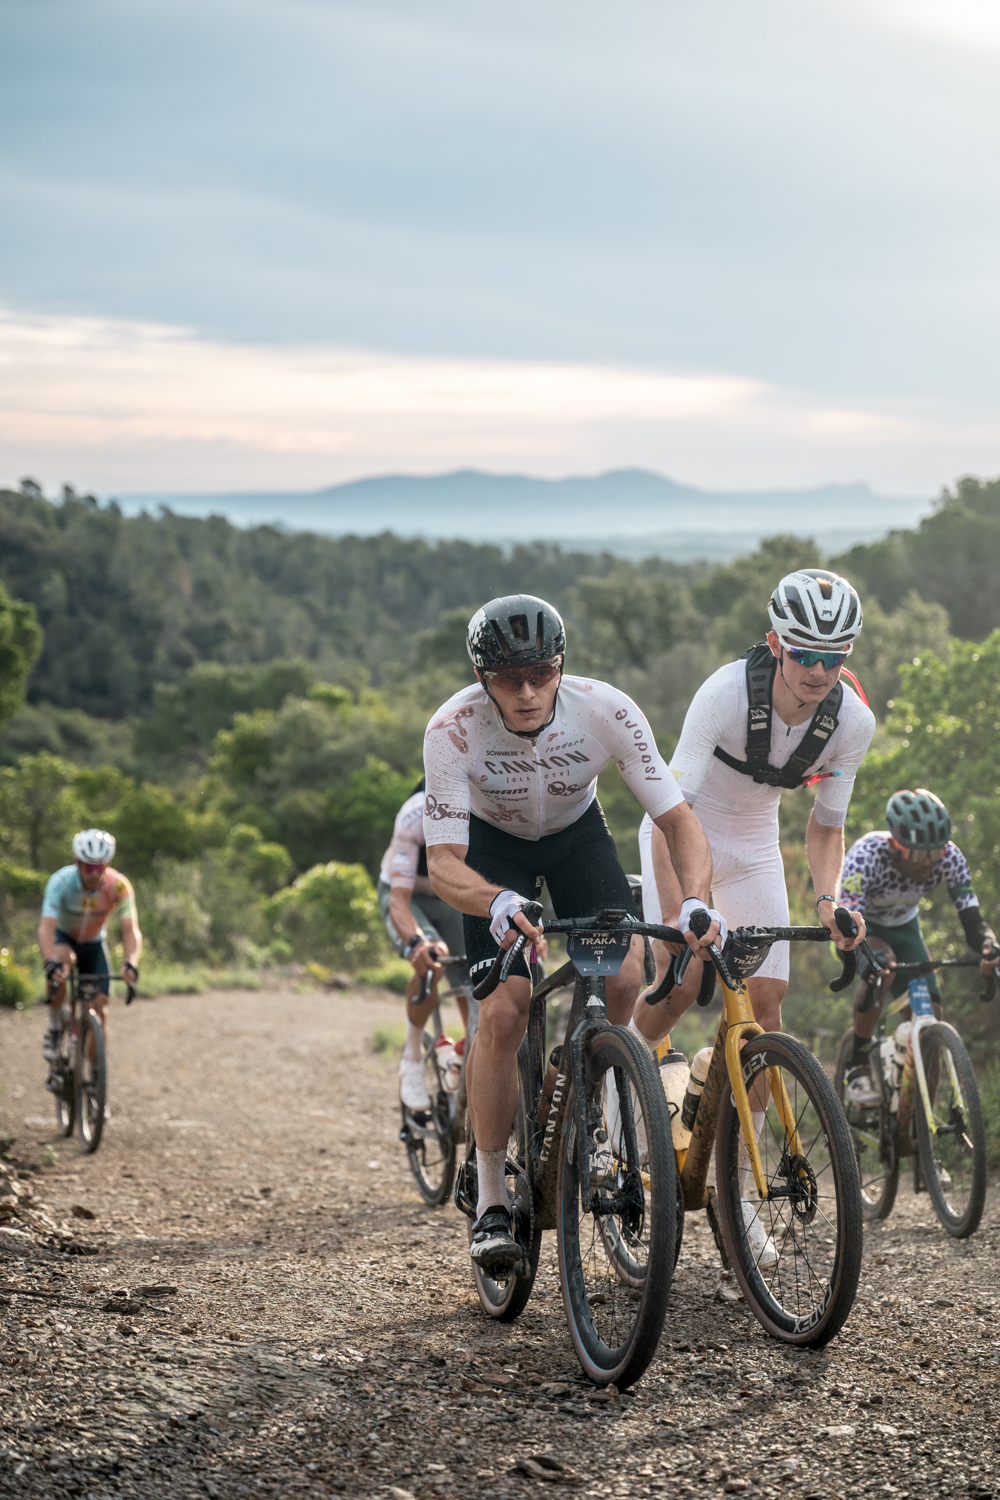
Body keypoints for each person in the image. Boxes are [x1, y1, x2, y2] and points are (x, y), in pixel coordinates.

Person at [422, 593, 722, 1274]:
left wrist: (695, 903)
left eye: (542, 674)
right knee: (504, 1013)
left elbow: (679, 820)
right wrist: (496, 899)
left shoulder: (605, 709)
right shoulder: (453, 729)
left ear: (561, 666)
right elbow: (443, 864)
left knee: (623, 976)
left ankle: (576, 1091)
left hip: (576, 838)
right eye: (509, 679)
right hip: (491, 851)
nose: (528, 693)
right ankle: (491, 1196)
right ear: (481, 677)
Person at [631, 568, 875, 1263]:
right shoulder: (725, 693)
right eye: (804, 654)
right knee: (678, 985)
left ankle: (736, 1192)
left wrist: (828, 899)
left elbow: (826, 827)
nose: (819, 670)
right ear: (775, 644)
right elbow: (671, 808)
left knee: (766, 1013)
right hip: (685, 831)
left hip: (757, 845)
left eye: (834, 657)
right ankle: (620, 1091)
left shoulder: (852, 721)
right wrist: (682, 909)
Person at [838, 788, 1000, 1107]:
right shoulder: (866, 855)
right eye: (917, 855)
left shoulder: (950, 857)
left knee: (932, 1023)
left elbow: (973, 923)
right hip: (862, 927)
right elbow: (847, 925)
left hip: (906, 928)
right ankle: (857, 1061)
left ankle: (920, 1126)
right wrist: (866, 960)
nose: (927, 863)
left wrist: (988, 945)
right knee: (883, 966)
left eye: (934, 853)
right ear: (894, 846)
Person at [377, 779, 471, 1112]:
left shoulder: (493, 809)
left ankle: (466, 1053)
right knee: (433, 958)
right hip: (408, 895)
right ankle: (412, 1058)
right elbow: (399, 901)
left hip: (453, 896)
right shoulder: (415, 815)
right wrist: (418, 943)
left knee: (478, 977)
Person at [39, 829, 142, 1070]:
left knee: (100, 1009)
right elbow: (46, 928)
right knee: (61, 962)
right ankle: (55, 1026)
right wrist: (49, 961)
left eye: (100, 866)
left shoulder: (118, 886)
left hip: (94, 944)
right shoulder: (61, 882)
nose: (95, 873)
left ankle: (96, 1078)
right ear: (77, 863)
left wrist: (131, 962)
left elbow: (130, 930)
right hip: (65, 938)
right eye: (89, 867)